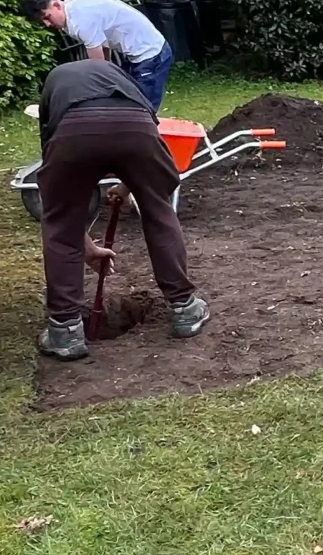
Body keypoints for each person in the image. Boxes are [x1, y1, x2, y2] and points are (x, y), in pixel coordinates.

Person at [32, 57, 207, 360]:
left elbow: (58, 190)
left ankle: (64, 330)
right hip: (135, 127)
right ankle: (185, 308)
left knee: (60, 224)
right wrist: (133, 185)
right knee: (158, 209)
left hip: (73, 130)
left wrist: (83, 244)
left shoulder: (55, 82)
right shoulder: (124, 80)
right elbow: (142, 133)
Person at [21, 0, 173, 111]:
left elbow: (98, 67)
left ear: (55, 5)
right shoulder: (72, 8)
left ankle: (153, 144)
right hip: (137, 55)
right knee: (129, 102)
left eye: (47, 17)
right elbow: (103, 53)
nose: (47, 24)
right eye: (43, 22)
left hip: (152, 55)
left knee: (143, 109)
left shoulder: (80, 21)